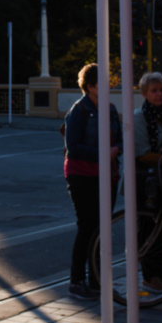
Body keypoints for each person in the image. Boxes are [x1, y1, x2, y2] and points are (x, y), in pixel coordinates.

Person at [63, 63, 123, 301]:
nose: (109, 85)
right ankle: (77, 281)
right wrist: (102, 152)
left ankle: (97, 281)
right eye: (103, 82)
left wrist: (116, 149)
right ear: (90, 86)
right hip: (82, 174)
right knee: (88, 226)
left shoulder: (110, 108)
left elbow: (119, 138)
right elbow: (73, 147)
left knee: (102, 229)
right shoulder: (79, 110)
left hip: (107, 173)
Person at [133, 71, 162, 291]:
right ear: (144, 94)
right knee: (147, 227)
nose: (159, 94)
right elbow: (142, 153)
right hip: (145, 181)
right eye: (154, 90)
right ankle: (149, 275)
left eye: (161, 90)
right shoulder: (139, 118)